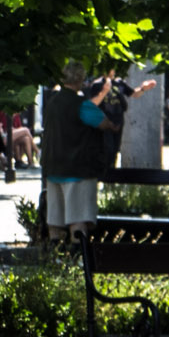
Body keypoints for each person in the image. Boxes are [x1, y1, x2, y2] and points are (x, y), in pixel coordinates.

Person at [40, 61, 113, 252]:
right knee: (78, 219)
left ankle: (54, 258)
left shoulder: (52, 103)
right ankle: (78, 259)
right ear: (80, 79)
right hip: (78, 169)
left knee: (55, 220)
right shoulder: (81, 105)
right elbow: (105, 123)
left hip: (53, 168)